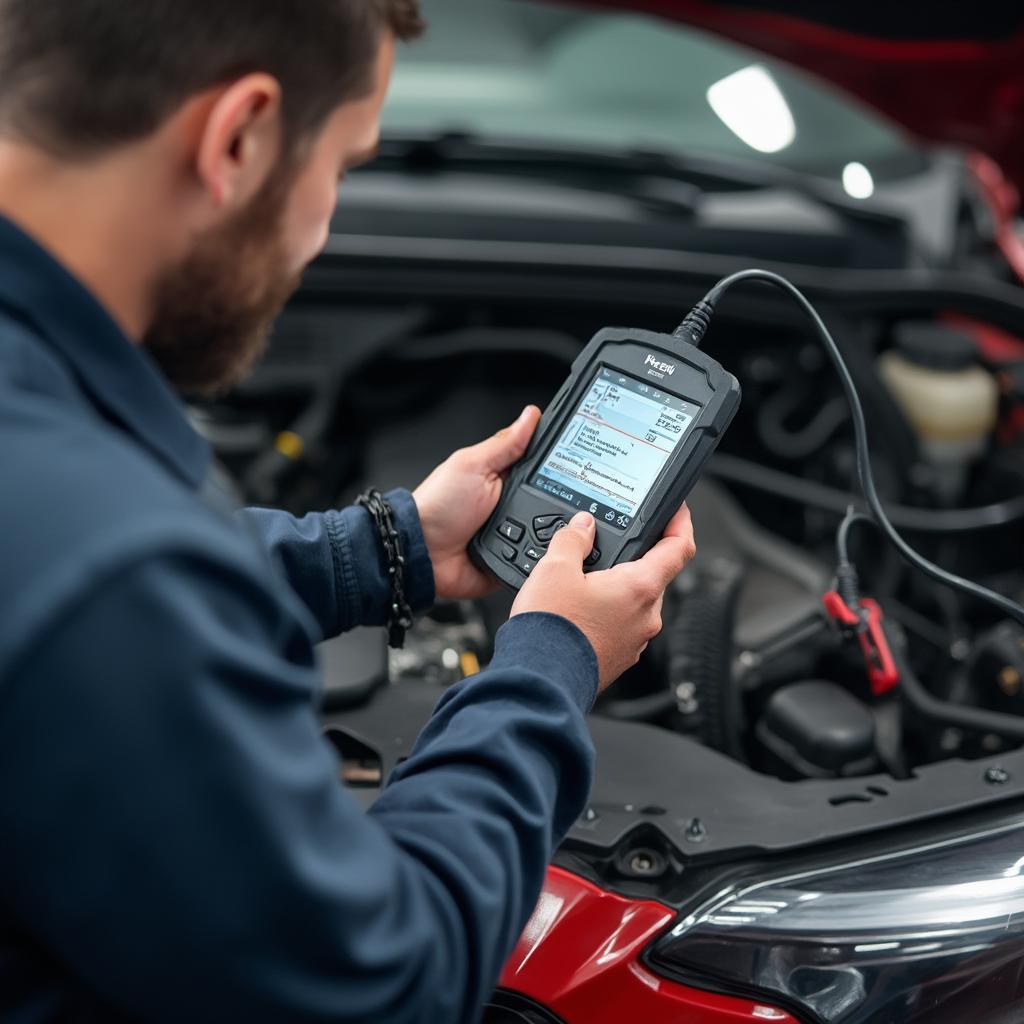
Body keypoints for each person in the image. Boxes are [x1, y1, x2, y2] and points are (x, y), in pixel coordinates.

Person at [0, 2, 696, 1021]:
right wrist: (549, 665)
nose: (323, 222)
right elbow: (386, 981)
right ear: (237, 136)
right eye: (343, 164)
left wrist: (381, 548)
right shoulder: (114, 567)